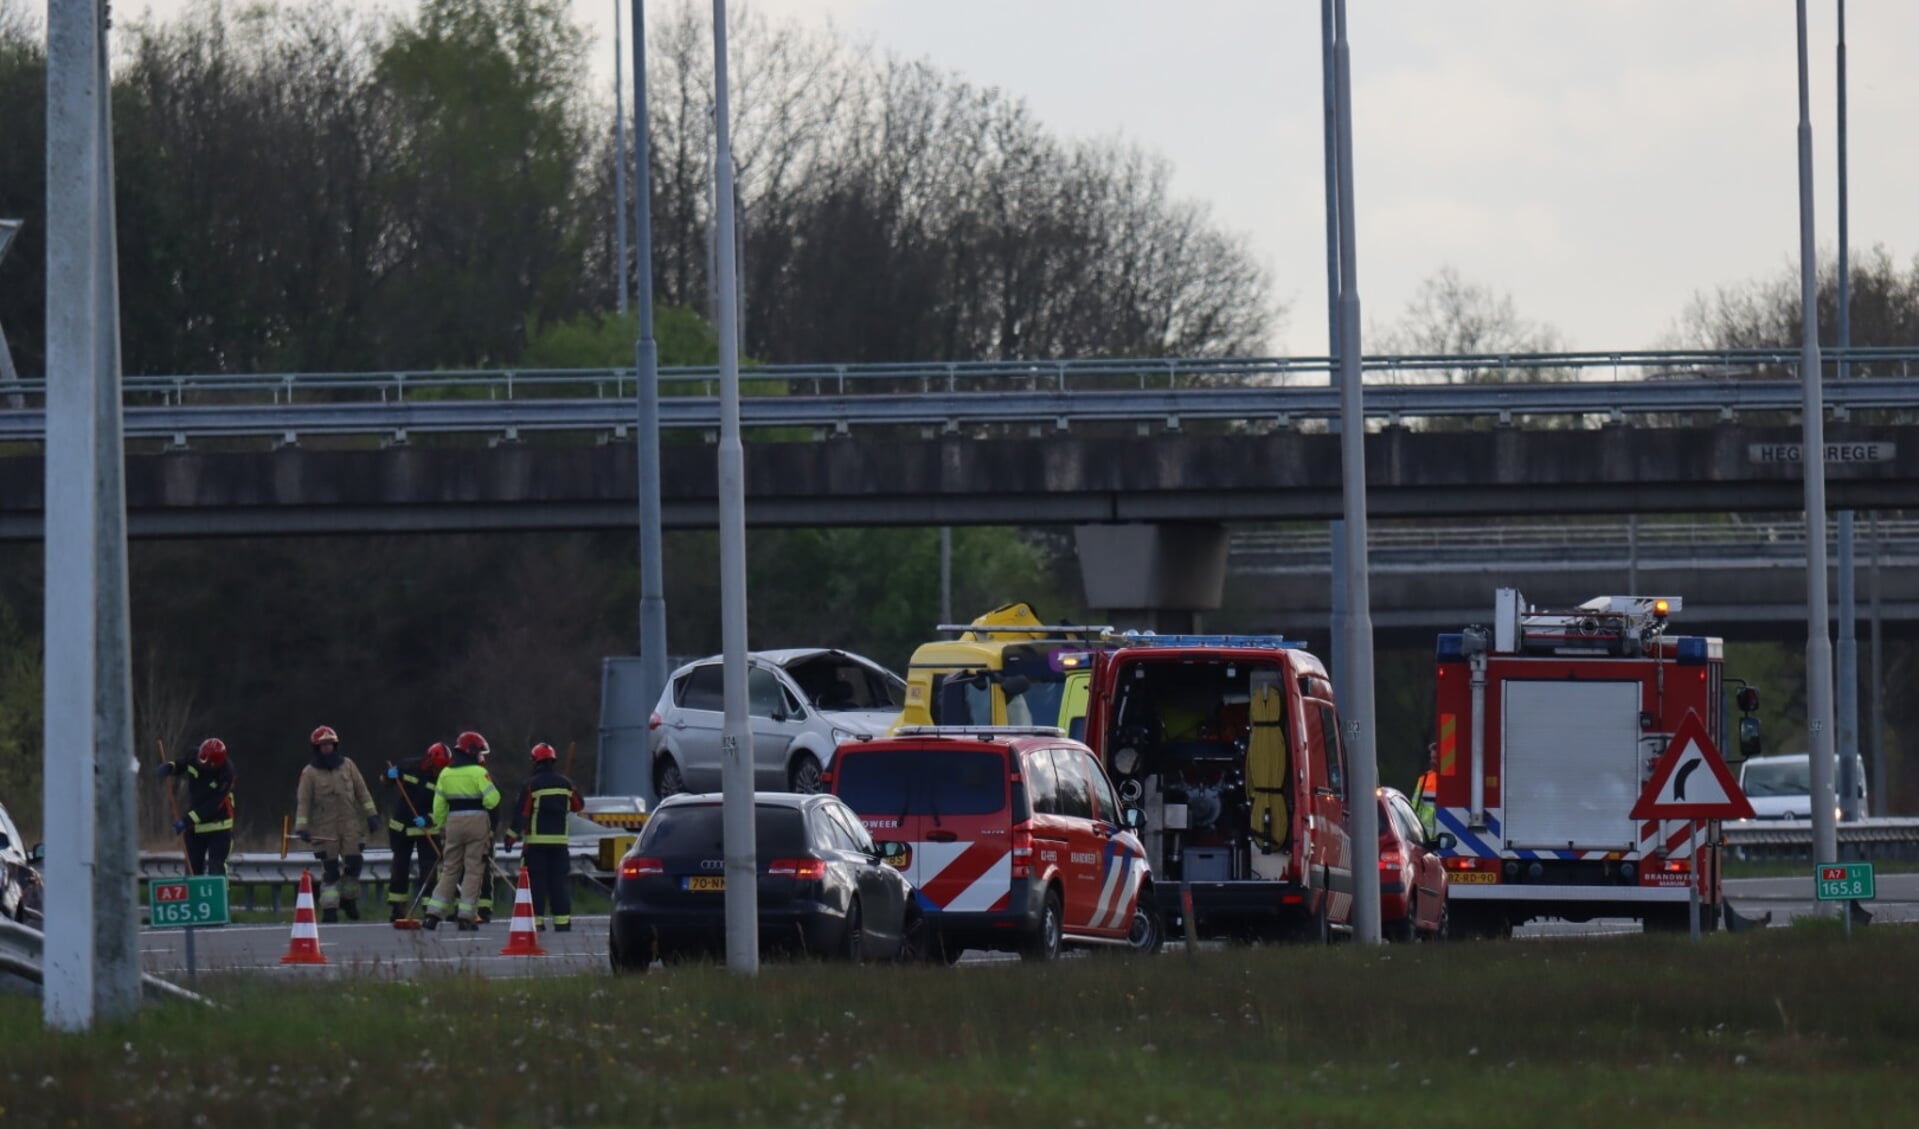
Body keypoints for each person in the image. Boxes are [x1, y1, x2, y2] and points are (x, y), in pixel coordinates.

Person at [294, 724, 380, 923]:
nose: (327, 749)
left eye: (330, 745)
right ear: (317, 748)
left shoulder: (348, 765)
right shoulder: (309, 773)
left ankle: (349, 900)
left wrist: (371, 814)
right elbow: (303, 801)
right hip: (324, 827)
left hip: (350, 824)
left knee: (354, 864)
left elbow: (362, 791)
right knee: (330, 870)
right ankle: (330, 908)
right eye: (323, 745)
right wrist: (302, 828)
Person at [422, 730, 501, 932]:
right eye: (480, 752)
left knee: (450, 869)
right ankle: (466, 916)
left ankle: (432, 913)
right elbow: (492, 800)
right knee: (473, 869)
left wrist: (442, 827)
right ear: (472, 751)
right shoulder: (478, 772)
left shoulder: (446, 773)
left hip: (453, 822)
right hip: (477, 821)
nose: (481, 756)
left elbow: (438, 805)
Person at [505, 742, 584, 932]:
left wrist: (511, 837)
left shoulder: (531, 784)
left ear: (535, 762)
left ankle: (537, 922)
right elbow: (578, 806)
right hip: (559, 845)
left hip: (536, 845)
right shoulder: (566, 783)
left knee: (537, 884)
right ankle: (562, 922)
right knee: (559, 883)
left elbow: (522, 814)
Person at [382, 741, 450, 924]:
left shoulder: (444, 779)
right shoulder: (408, 766)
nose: (439, 771)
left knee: (429, 869)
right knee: (399, 868)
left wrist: (428, 819)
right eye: (437, 767)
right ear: (429, 761)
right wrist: (389, 776)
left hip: (426, 827)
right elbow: (386, 781)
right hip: (402, 827)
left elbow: (444, 808)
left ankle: (429, 908)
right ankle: (398, 908)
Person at [160, 738, 236, 877]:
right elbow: (181, 765)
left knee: (216, 869)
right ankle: (194, 898)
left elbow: (212, 805)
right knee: (193, 869)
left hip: (219, 826)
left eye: (206, 763)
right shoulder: (194, 756)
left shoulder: (226, 773)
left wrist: (186, 820)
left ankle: (219, 898)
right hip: (196, 828)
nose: (201, 764)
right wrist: (170, 767)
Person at [1414, 742, 1440, 838]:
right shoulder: (1424, 779)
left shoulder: (1450, 781)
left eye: (1436, 759)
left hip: (1443, 836)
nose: (1432, 761)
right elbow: (1415, 808)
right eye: (1432, 758)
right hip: (1426, 838)